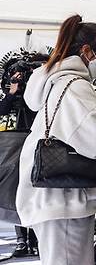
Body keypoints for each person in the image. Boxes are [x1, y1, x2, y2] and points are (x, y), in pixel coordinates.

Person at [16, 14, 96, 265]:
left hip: (53, 198)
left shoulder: (57, 82)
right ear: (86, 51)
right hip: (64, 200)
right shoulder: (74, 85)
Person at [0, 71, 39, 257]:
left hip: (37, 141)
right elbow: (2, 110)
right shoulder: (11, 95)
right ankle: (22, 239)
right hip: (16, 144)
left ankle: (36, 237)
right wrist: (11, 93)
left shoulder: (40, 92)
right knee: (18, 188)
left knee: (36, 187)